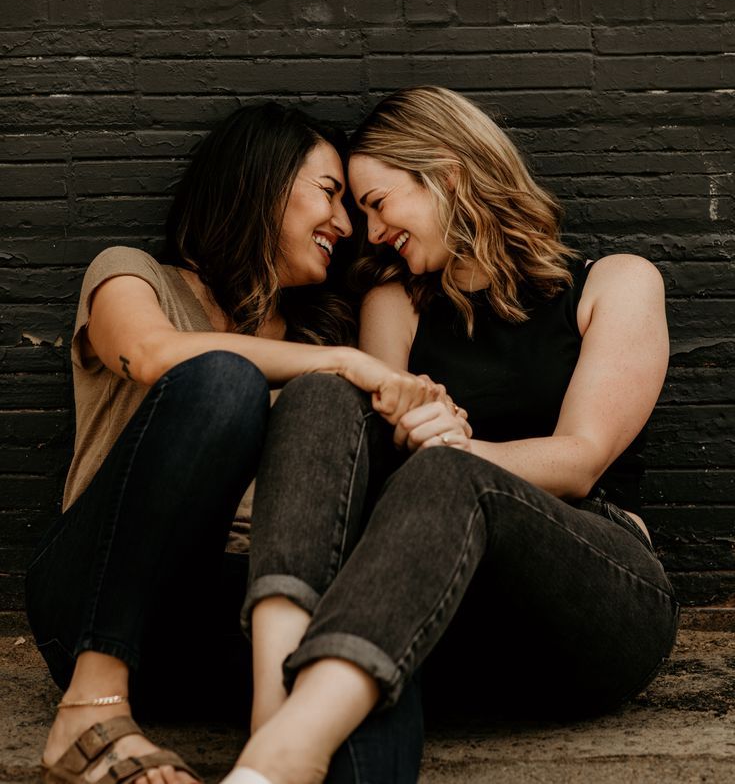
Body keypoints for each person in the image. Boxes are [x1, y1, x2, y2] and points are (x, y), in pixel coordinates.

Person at [221, 87, 679, 784]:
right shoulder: (393, 303)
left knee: (446, 470)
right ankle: (273, 715)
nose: (369, 233)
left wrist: (456, 451)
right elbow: (374, 456)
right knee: (322, 391)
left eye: (377, 202)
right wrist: (411, 432)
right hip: (434, 608)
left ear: (447, 172)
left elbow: (580, 458)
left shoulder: (613, 283)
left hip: (593, 600)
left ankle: (287, 754)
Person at [26, 102, 435, 784]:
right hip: (100, 594)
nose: (343, 224)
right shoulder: (134, 274)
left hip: (233, 616)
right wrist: (353, 363)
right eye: (329, 193)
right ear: (260, 179)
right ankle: (91, 707)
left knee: (362, 652)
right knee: (223, 381)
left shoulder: (316, 343)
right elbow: (154, 355)